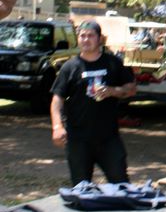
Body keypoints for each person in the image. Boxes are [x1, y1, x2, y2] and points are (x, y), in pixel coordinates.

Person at [50, 21, 137, 185]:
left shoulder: (113, 63)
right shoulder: (70, 67)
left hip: (108, 138)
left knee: (121, 185)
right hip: (78, 139)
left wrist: (112, 91)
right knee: (81, 188)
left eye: (90, 36)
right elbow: (57, 100)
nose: (86, 39)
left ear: (100, 39)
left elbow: (131, 88)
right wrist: (57, 126)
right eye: (82, 36)